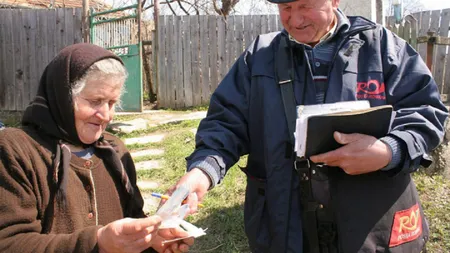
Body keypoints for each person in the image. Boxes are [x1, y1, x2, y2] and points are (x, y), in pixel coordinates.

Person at [169, 0, 448, 252]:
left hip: (371, 221)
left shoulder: (383, 47)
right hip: (285, 222)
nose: (295, 19)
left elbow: (425, 111)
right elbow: (226, 124)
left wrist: (389, 151)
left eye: (305, 6)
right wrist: (202, 171)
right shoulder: (259, 56)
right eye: (286, 9)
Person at [0, 43, 194, 253]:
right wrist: (98, 242)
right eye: (95, 101)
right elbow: (9, 243)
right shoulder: (15, 150)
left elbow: (131, 223)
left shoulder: (115, 151)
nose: (106, 115)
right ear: (62, 97)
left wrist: (151, 238)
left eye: (111, 103)